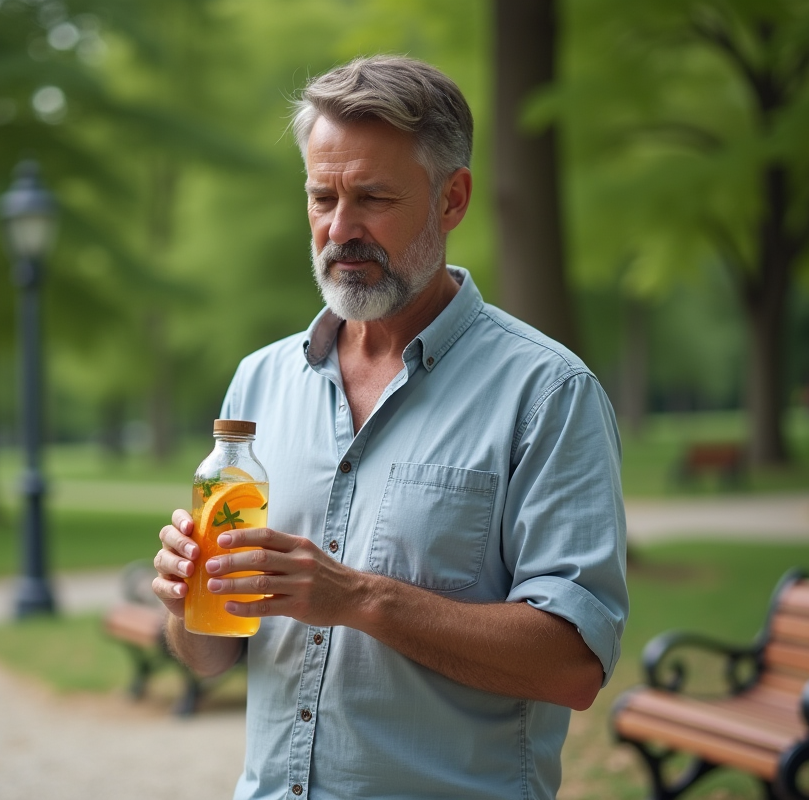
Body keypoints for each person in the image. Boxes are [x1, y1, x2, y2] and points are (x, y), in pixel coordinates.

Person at [151, 55, 628, 800]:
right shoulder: (260, 383)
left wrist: (359, 599)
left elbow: (572, 664)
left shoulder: (548, 392)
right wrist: (188, 605)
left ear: (453, 199)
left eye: (373, 197)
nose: (340, 230)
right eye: (321, 197)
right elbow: (210, 657)